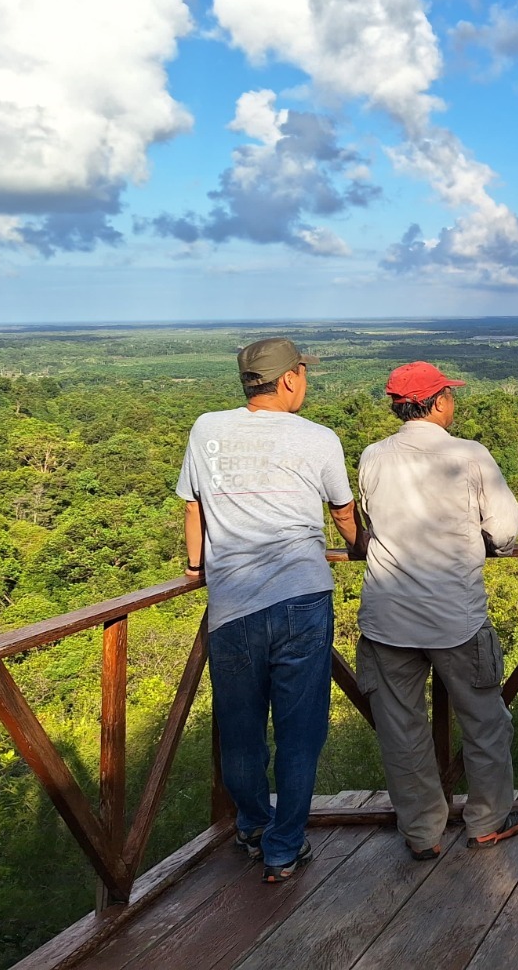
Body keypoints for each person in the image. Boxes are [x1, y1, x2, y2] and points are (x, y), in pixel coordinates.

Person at [177, 337, 365, 883]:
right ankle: (284, 846)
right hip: (302, 597)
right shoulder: (318, 438)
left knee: (240, 728)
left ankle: (254, 826)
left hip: (231, 603)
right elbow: (344, 514)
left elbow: (194, 506)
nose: (305, 381)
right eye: (303, 373)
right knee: (299, 730)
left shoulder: (206, 428)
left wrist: (196, 567)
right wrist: (359, 547)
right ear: (288, 379)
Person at [355, 361, 518, 860]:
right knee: (486, 722)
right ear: (438, 402)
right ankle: (488, 820)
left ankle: (423, 832)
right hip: (456, 615)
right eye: (449, 394)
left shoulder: (372, 456)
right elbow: (506, 531)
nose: (454, 401)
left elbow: (366, 521)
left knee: (401, 730)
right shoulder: (469, 455)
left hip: (387, 615)